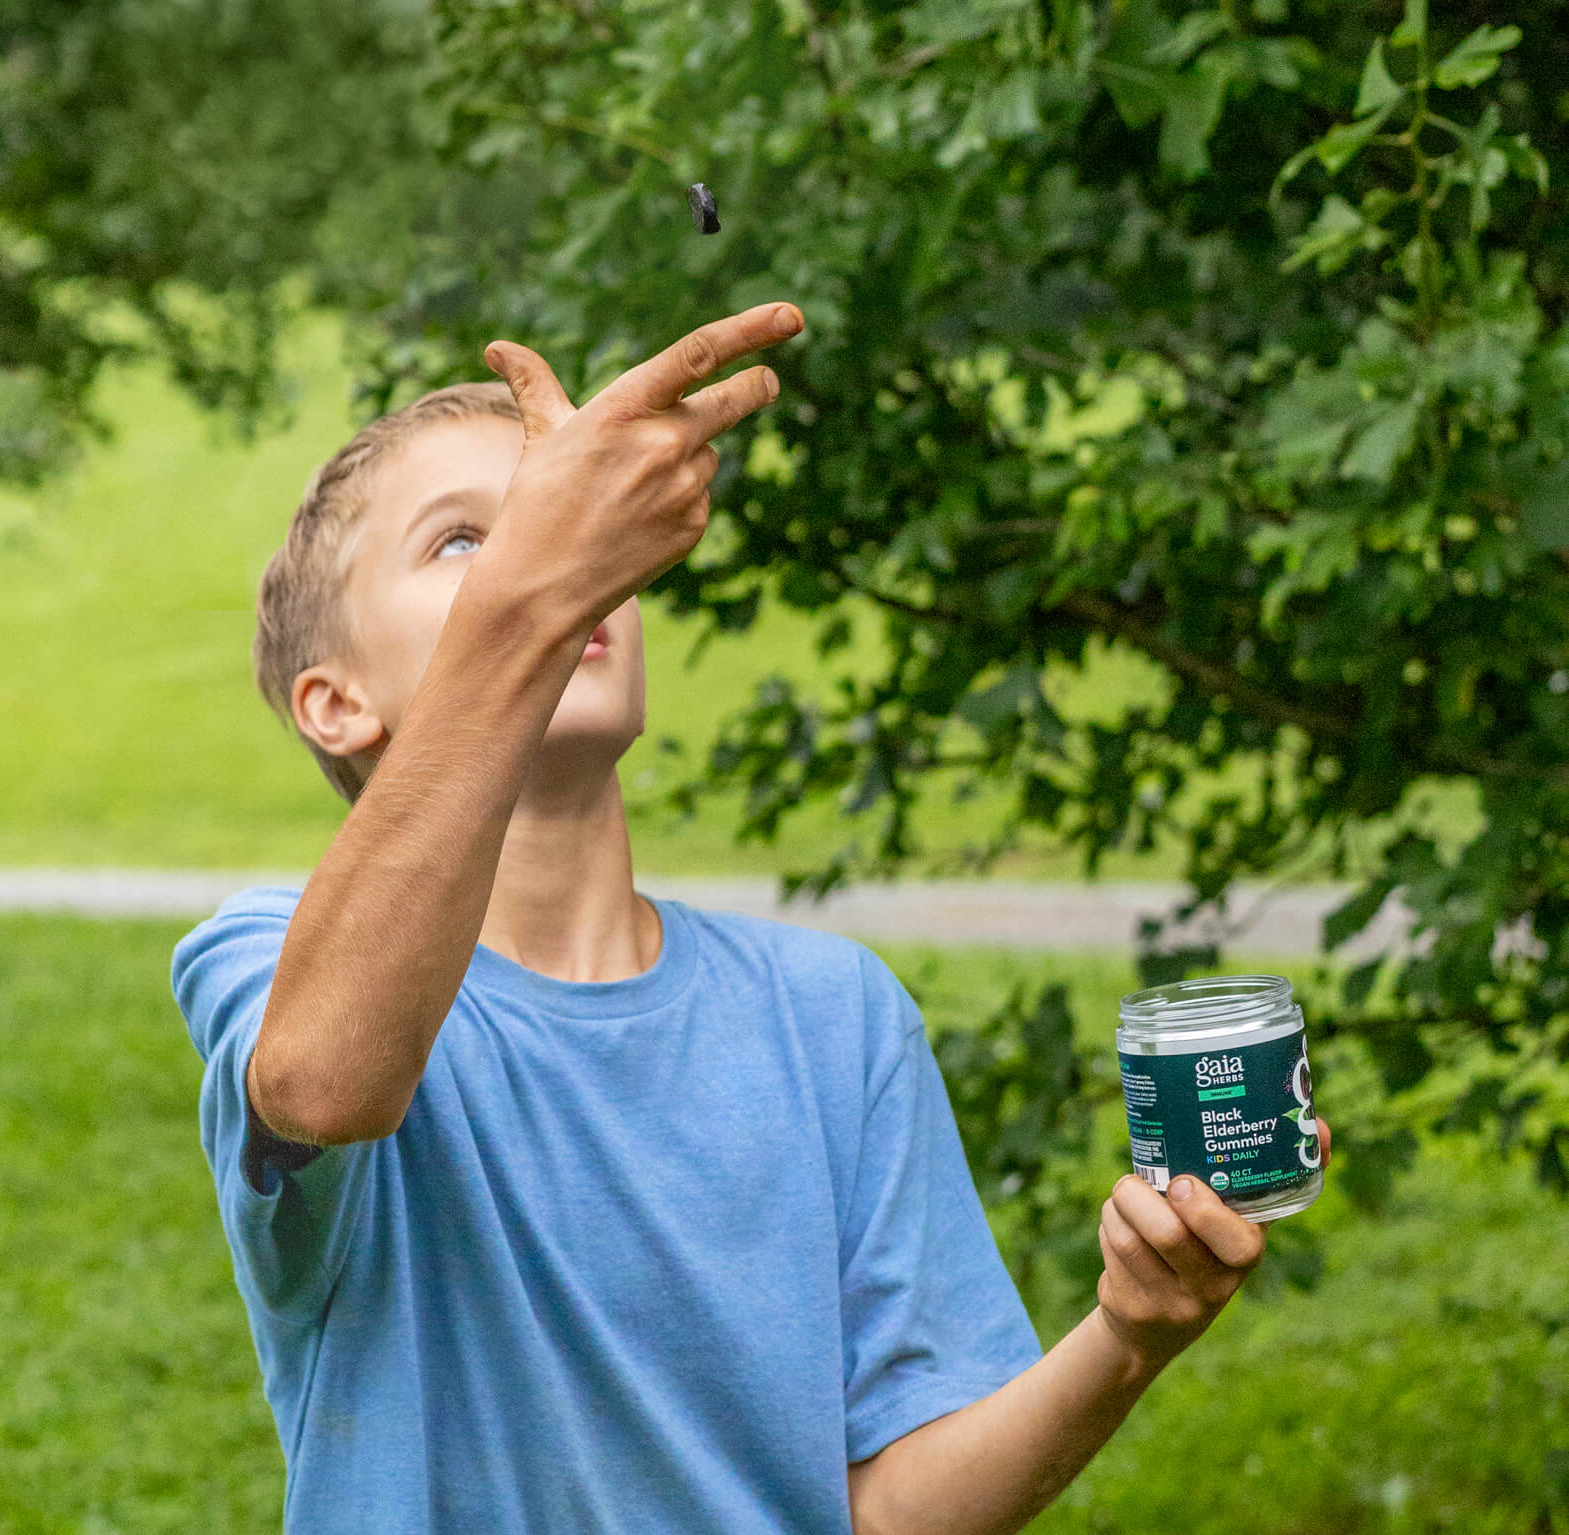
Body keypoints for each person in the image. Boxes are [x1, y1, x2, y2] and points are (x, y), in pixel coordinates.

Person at [171, 302, 1331, 1534]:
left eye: (571, 526)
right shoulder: (273, 953)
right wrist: (535, 593)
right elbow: (328, 1079)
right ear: (336, 703)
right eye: (466, 540)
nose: (553, 557)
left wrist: (1128, 1335)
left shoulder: (831, 1011)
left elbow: (887, 1508)